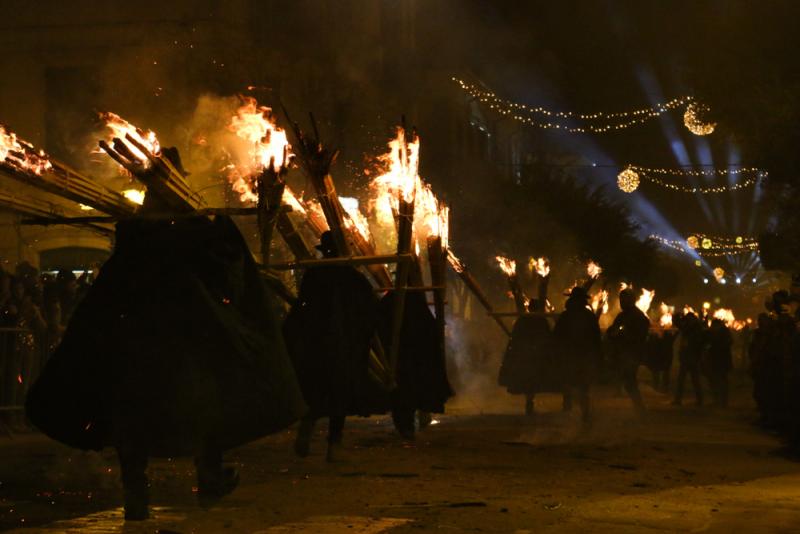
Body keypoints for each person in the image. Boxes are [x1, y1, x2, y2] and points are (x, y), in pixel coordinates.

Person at [27, 210, 306, 521]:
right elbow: (225, 264)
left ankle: (141, 492)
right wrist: (220, 225)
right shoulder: (186, 242)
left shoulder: (137, 246)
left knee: (134, 420)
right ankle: (206, 476)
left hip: (134, 352)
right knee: (203, 408)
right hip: (175, 350)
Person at [283, 231, 382, 461]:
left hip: (317, 344)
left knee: (316, 391)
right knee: (339, 395)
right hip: (343, 346)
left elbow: (302, 308)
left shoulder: (314, 275)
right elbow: (369, 310)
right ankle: (333, 445)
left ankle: (308, 429)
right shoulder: (353, 278)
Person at [377, 268, 453, 439]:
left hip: (407, 357)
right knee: (404, 393)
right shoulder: (399, 301)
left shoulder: (408, 301)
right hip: (403, 357)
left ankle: (406, 426)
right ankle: (406, 426)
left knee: (404, 393)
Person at [498, 298, 558, 416]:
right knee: (531, 380)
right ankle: (529, 402)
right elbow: (547, 337)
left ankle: (529, 401)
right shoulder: (540, 321)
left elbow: (515, 338)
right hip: (532, 356)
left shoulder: (524, 320)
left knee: (530, 380)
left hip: (528, 355)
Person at [552, 287, 602, 425]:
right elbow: (596, 338)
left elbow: (556, 336)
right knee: (582, 387)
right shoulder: (588, 316)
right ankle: (583, 416)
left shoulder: (566, 316)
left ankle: (571, 415)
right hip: (581, 356)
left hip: (572, 356)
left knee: (569, 386)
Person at [607, 288, 650, 414]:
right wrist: (614, 334)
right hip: (621, 353)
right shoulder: (622, 315)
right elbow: (612, 330)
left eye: (624, 299)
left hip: (632, 353)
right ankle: (639, 408)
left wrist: (624, 335)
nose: (622, 302)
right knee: (626, 381)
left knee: (629, 381)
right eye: (621, 299)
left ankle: (640, 409)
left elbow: (640, 336)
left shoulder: (638, 316)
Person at [673, 312, 706, 407]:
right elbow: (679, 325)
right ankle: (678, 399)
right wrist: (676, 317)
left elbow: (698, 344)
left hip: (692, 357)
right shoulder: (690, 328)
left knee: (694, 380)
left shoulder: (696, 329)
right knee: (682, 380)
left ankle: (699, 400)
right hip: (686, 357)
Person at [705, 318, 733, 407]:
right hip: (714, 360)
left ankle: (723, 401)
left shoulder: (724, 333)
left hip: (722, 360)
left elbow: (727, 344)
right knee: (714, 380)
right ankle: (716, 399)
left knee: (722, 381)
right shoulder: (711, 333)